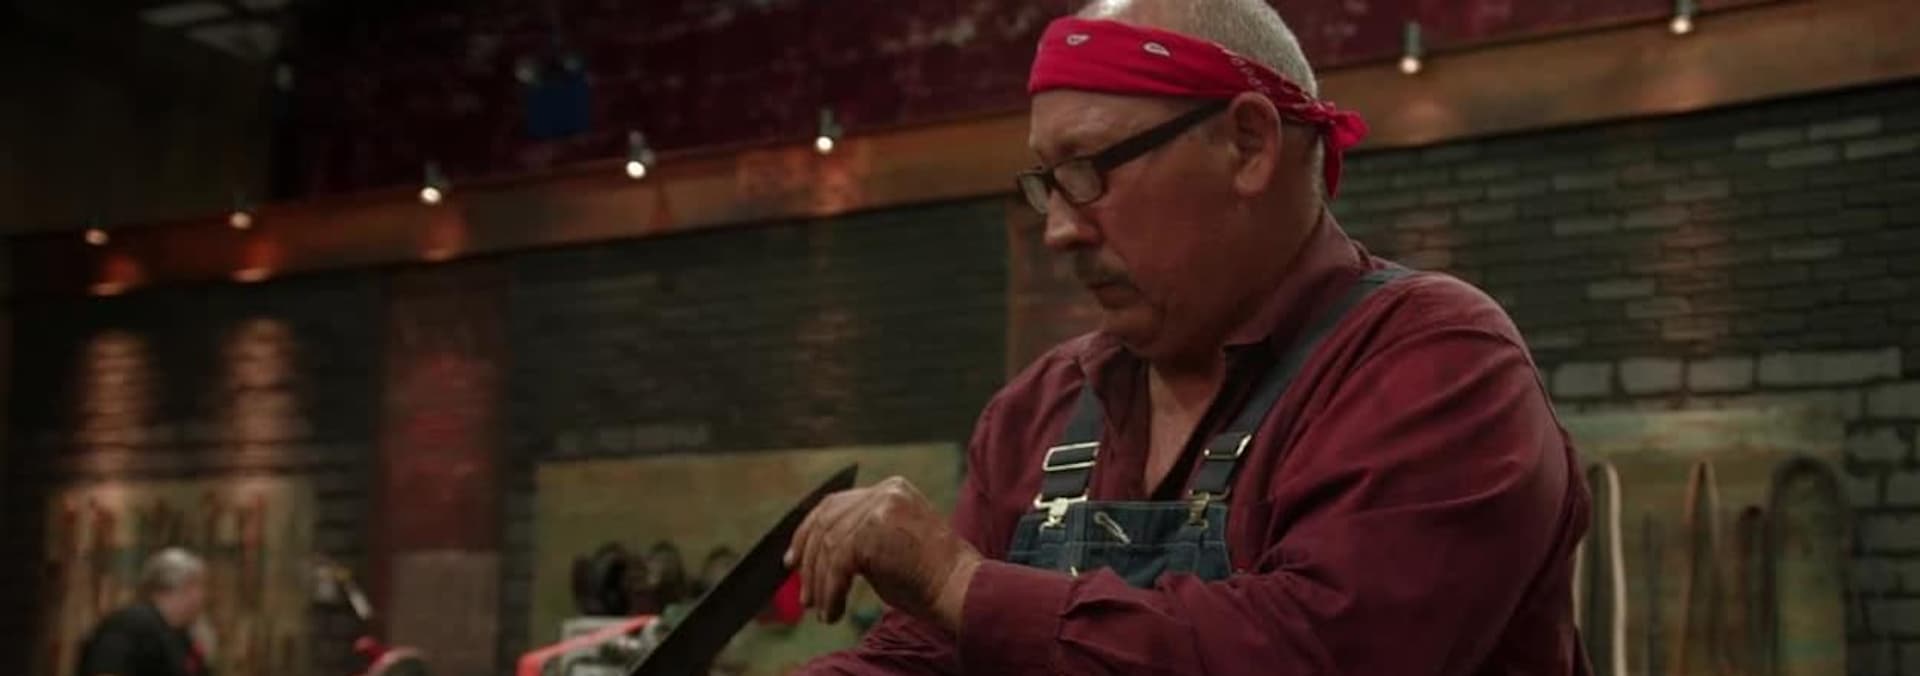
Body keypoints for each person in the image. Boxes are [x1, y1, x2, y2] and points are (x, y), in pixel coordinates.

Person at [784, 0, 1592, 674]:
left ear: (1248, 145)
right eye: (1047, 183)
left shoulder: (1435, 363)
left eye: (1089, 169)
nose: (1059, 230)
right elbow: (929, 657)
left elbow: (1315, 651)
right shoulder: (1041, 408)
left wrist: (962, 584)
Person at [76, 547, 213, 676]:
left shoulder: (182, 636)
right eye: (198, 586)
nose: (203, 596)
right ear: (182, 587)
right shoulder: (130, 625)